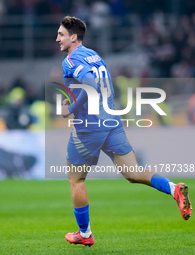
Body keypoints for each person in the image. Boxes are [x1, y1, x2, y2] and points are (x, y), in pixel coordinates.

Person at [56, 16, 192, 246]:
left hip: (90, 125)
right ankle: (173, 188)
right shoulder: (94, 55)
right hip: (111, 119)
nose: (57, 38)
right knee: (132, 173)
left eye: (61, 34)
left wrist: (71, 108)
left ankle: (85, 234)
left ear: (73, 37)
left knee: (76, 179)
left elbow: (89, 83)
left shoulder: (71, 59)